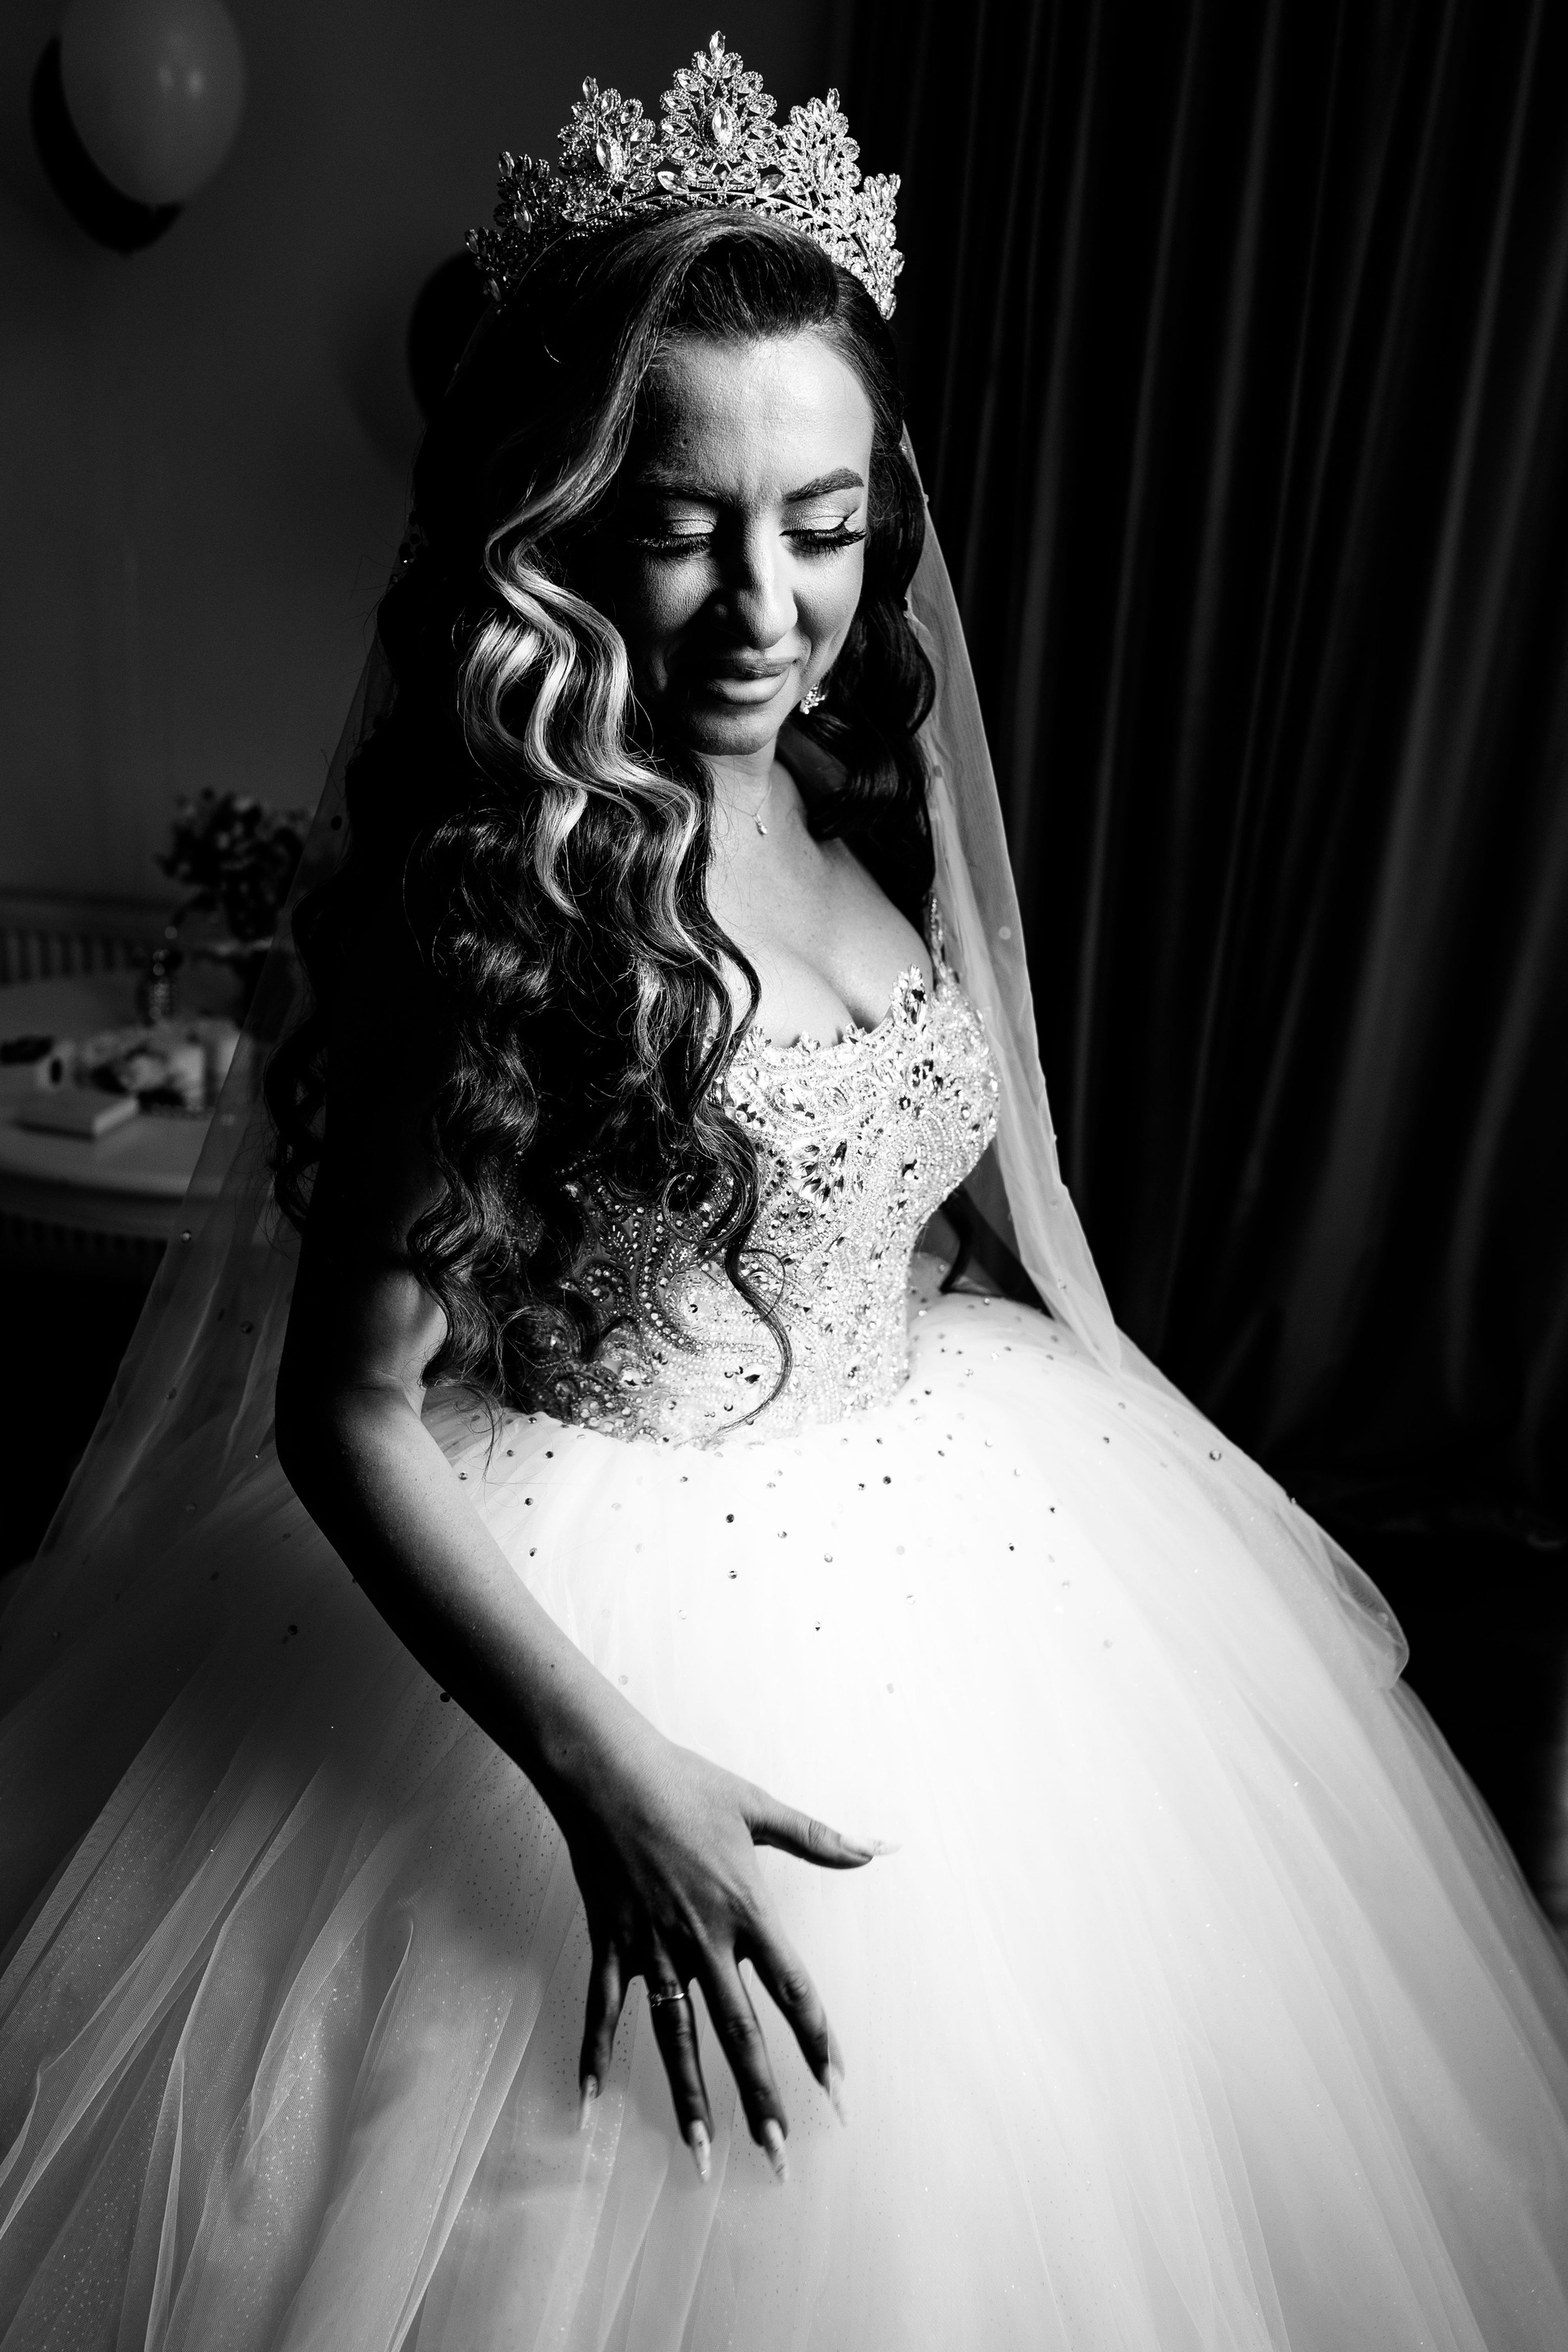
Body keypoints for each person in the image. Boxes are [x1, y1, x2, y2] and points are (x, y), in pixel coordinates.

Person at [2, 36, 1567, 2352]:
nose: (765, 602)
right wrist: (607, 1777)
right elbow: (348, 1408)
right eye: (685, 521)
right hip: (602, 1597)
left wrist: (1138, 1437)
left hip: (963, 1527)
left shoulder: (859, 801)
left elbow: (922, 1195)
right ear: (561, 527)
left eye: (824, 526)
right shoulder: (502, 896)